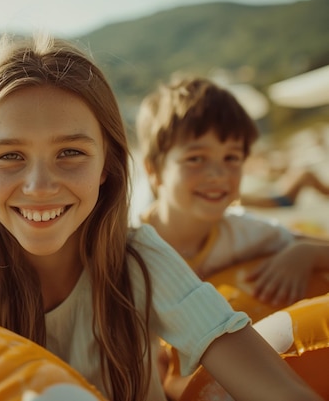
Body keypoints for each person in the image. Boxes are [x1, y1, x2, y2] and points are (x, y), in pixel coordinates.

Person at [0, 34, 323, 401]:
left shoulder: (139, 258)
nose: (39, 185)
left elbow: (269, 382)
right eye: (10, 156)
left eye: (70, 152)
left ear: (107, 165)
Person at [135, 76, 329, 399]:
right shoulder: (130, 250)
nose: (217, 174)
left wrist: (304, 252)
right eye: (196, 158)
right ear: (154, 170)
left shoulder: (242, 231)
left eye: (232, 158)